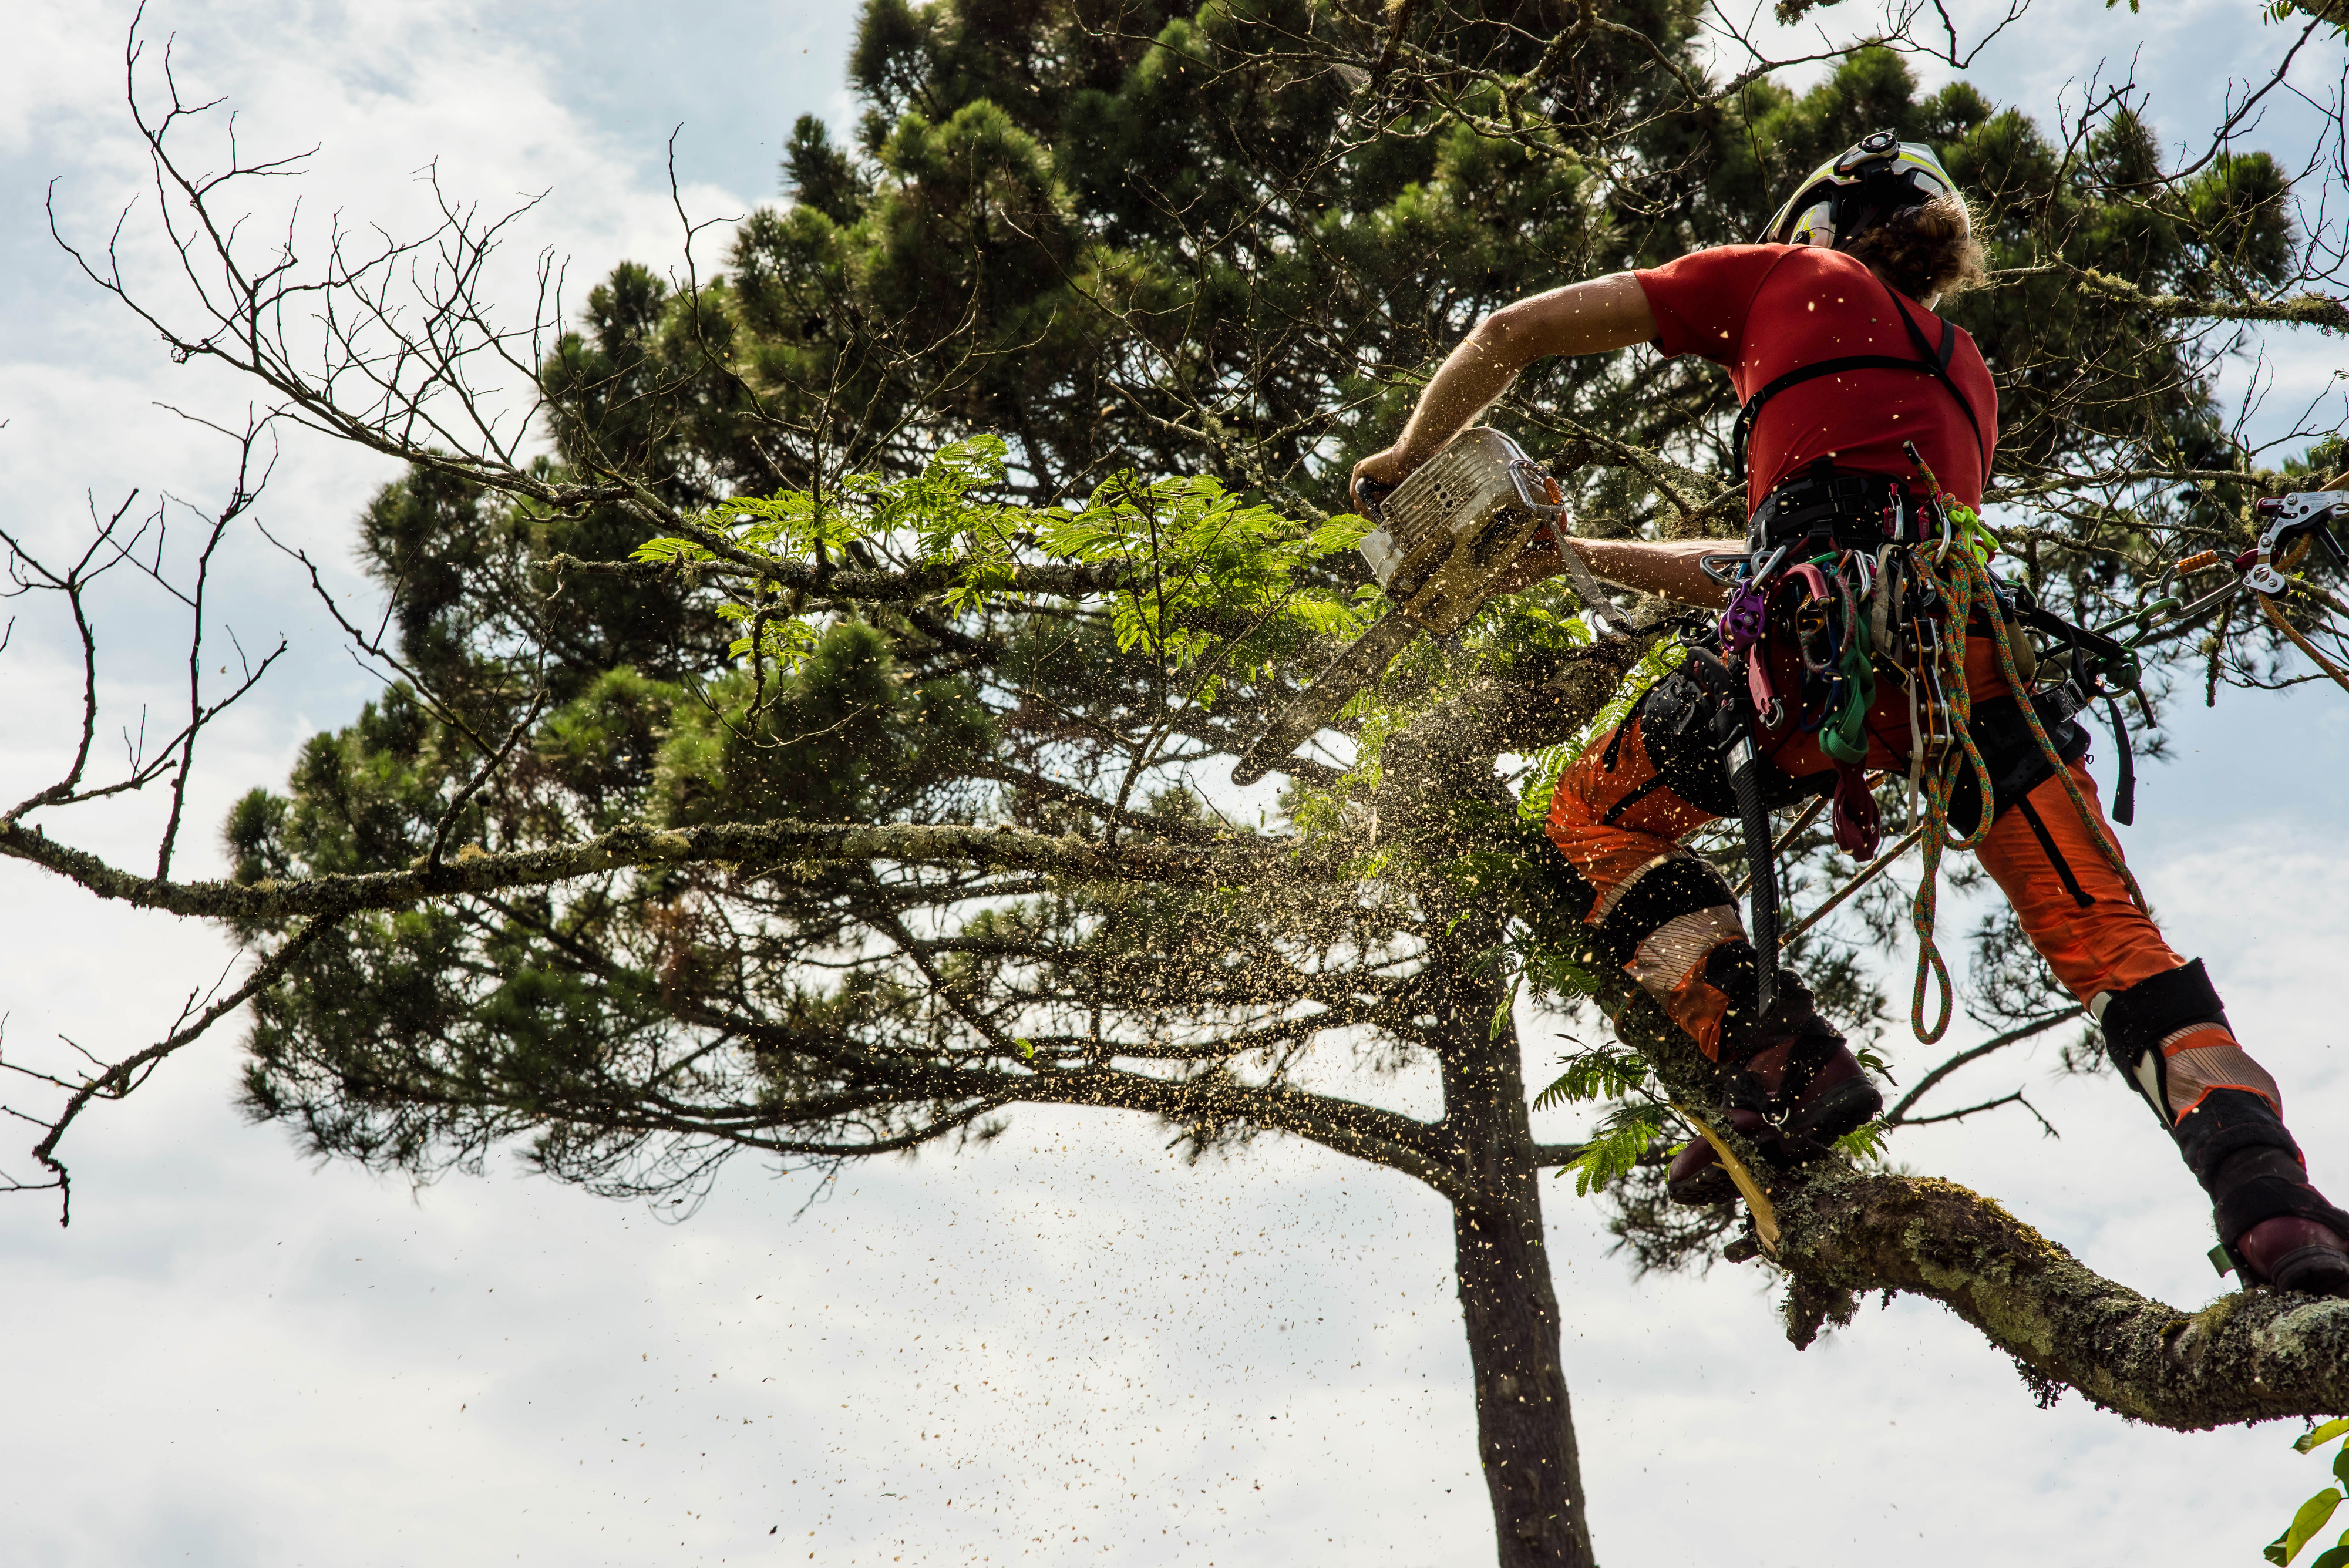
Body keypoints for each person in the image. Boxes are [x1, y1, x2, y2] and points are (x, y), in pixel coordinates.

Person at [1351, 132, 2349, 1295]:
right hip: (1965, 659)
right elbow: (1766, 546)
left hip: (1817, 644)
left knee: (1590, 818)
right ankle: (2272, 1206)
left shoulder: (1777, 278)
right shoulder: (1957, 366)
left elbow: (1508, 333)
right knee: (2116, 950)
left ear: (1820, 226)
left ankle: (1779, 1054)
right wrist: (1574, 556)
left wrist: (1405, 460)